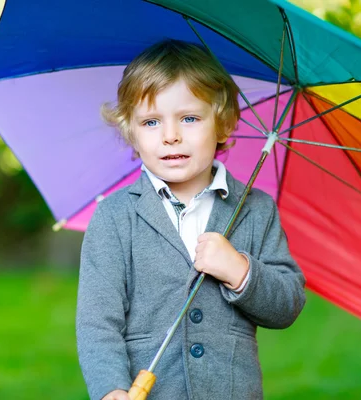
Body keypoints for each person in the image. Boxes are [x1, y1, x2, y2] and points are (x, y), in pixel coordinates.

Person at [76, 39, 306, 400]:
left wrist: (241, 271)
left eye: (189, 118)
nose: (171, 136)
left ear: (223, 124)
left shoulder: (256, 209)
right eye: (151, 122)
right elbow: (97, 322)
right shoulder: (115, 216)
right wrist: (110, 389)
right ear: (131, 133)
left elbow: (287, 304)